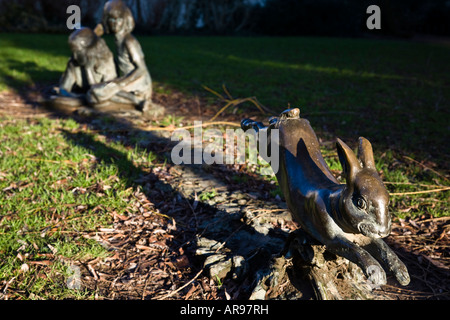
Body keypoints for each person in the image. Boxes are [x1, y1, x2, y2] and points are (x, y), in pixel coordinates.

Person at [88, 0, 164, 117]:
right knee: (95, 91)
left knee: (96, 92)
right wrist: (95, 34)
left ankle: (139, 101)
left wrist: (121, 83)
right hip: (125, 81)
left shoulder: (129, 41)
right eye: (111, 19)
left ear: (125, 19)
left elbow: (142, 69)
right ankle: (134, 101)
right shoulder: (119, 39)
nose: (114, 23)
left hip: (137, 83)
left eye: (118, 19)